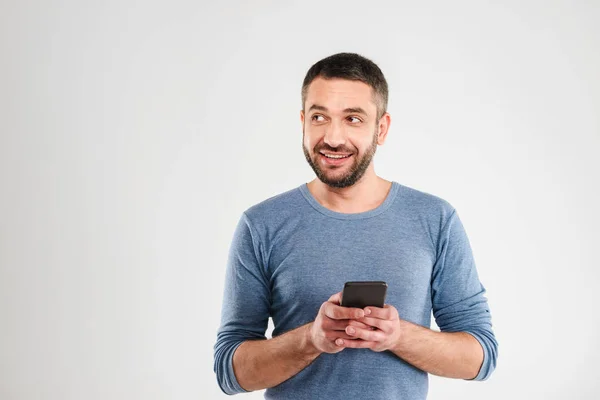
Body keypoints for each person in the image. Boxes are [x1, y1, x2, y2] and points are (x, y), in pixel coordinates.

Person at [213, 52, 498, 399]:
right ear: (302, 121)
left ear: (381, 128)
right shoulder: (261, 225)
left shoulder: (435, 219)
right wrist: (311, 339)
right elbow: (229, 372)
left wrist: (397, 336)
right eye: (319, 117)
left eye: (353, 119)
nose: (333, 138)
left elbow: (480, 357)